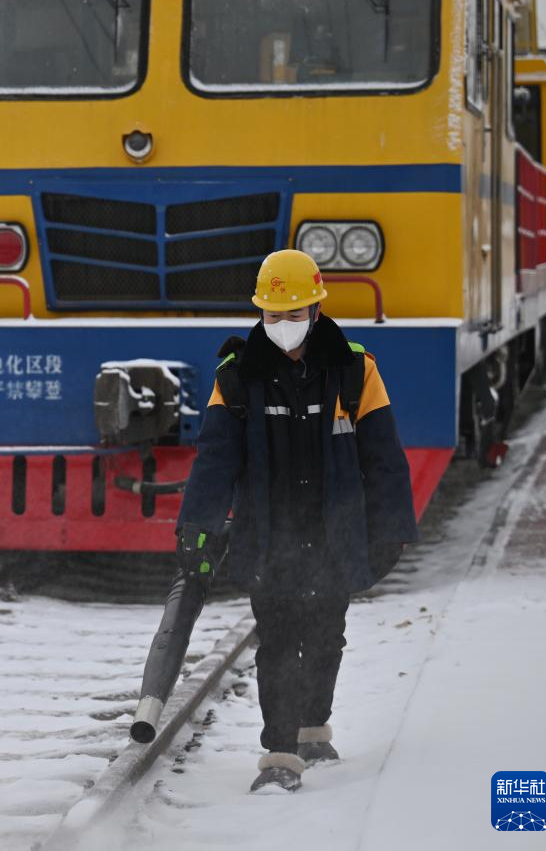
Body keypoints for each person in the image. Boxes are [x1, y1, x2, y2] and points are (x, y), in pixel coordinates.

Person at [175, 249, 418, 793]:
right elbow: (215, 458)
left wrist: (392, 530)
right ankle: (281, 753)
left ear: (315, 309)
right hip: (269, 537)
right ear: (261, 315)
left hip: (336, 533)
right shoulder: (236, 379)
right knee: (280, 640)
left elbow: (383, 458)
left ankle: (312, 729)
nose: (283, 326)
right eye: (273, 315)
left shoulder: (357, 370)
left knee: (327, 635)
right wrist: (197, 525)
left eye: (293, 314)